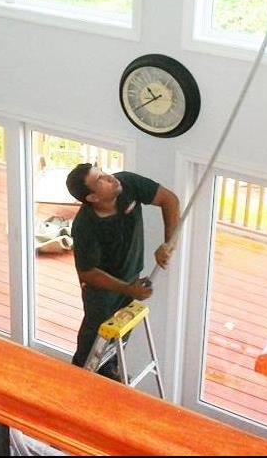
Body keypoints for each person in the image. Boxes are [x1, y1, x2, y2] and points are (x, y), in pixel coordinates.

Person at [65, 163, 180, 380]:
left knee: (119, 340)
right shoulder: (85, 226)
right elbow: (88, 273)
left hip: (131, 282)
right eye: (100, 180)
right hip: (102, 294)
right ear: (92, 198)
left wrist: (169, 244)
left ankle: (110, 374)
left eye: (103, 172)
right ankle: (80, 387)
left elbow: (169, 200)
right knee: (91, 351)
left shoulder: (126, 183)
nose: (110, 177)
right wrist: (127, 288)